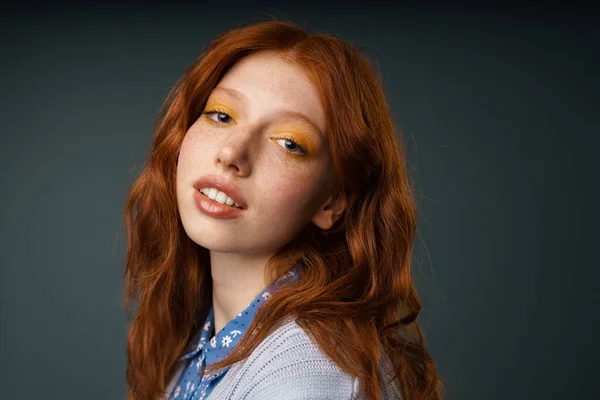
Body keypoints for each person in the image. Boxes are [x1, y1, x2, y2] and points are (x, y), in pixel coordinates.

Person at [123, 19, 445, 400]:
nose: (231, 153)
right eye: (221, 115)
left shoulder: (307, 378)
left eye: (289, 143)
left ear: (333, 201)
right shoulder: (202, 345)